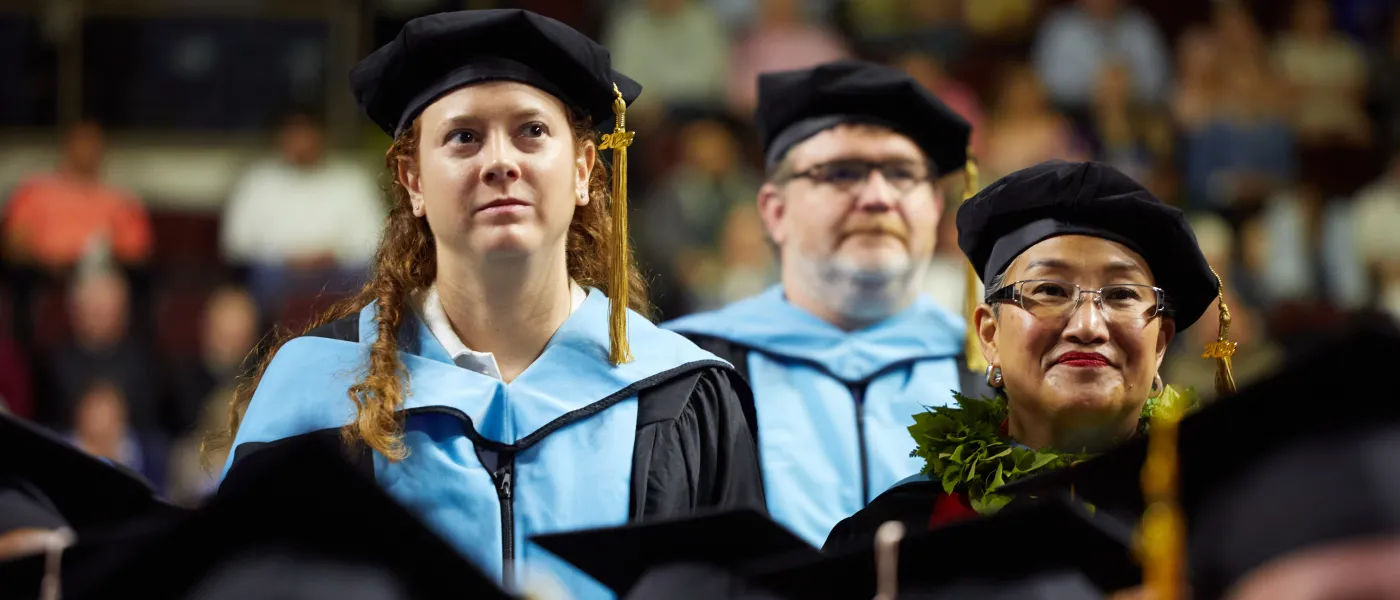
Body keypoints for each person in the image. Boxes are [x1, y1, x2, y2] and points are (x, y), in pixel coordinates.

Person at [206, 10, 764, 599]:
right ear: (413, 179)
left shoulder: (678, 396)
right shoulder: (315, 392)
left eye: (532, 131)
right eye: (463, 136)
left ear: (582, 169)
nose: (501, 161)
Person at [823, 160, 1225, 553]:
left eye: (1121, 295)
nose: (1087, 326)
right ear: (990, 334)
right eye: (1050, 290)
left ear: (1160, 344)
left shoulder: (1220, 518)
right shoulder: (891, 540)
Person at [664, 60, 979, 547]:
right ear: (774, 211)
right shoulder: (693, 372)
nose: (877, 197)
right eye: (841, 173)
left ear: (936, 208)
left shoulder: (990, 370)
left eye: (902, 173)